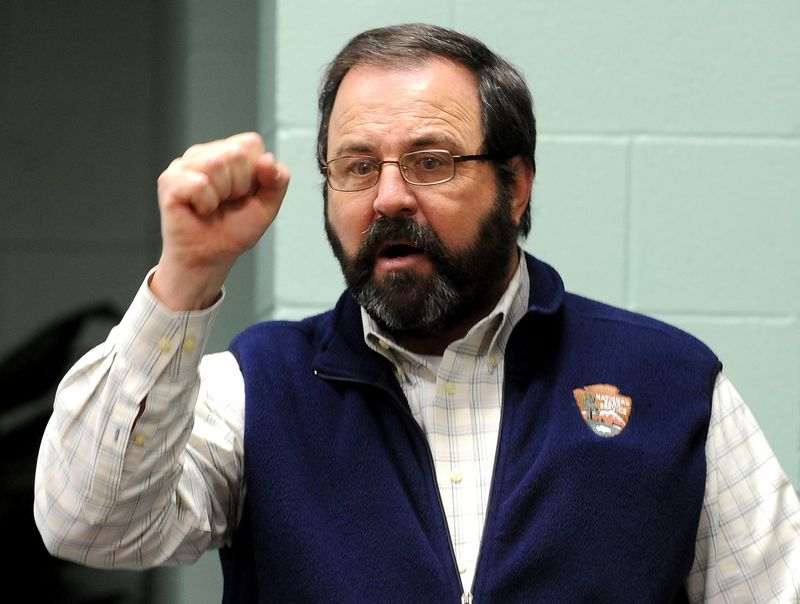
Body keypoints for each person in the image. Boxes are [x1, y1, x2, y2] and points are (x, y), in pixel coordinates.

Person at [34, 23, 799, 603]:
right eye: (358, 166)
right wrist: (185, 279)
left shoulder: (669, 384)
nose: (390, 196)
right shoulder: (259, 390)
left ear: (516, 184)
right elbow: (87, 524)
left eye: (432, 162)